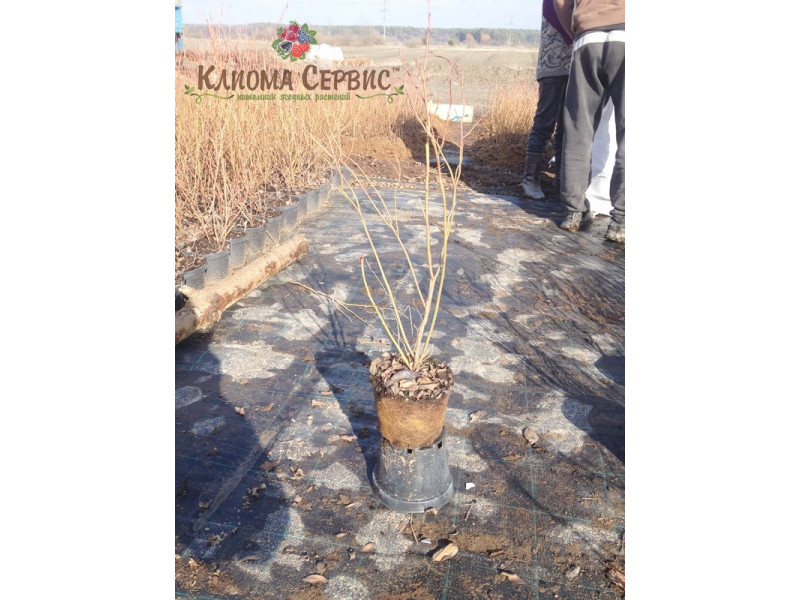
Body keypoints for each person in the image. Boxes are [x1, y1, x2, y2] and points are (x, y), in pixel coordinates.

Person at [553, 0, 625, 243]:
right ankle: (621, 220)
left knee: (578, 129)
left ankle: (574, 211)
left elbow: (561, 2)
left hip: (587, 37)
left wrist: (579, 27)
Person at [521, 0, 573, 200]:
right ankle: (530, 179)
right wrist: (573, 36)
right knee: (545, 121)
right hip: (553, 62)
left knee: (567, 125)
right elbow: (552, 11)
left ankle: (560, 179)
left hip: (574, 62)